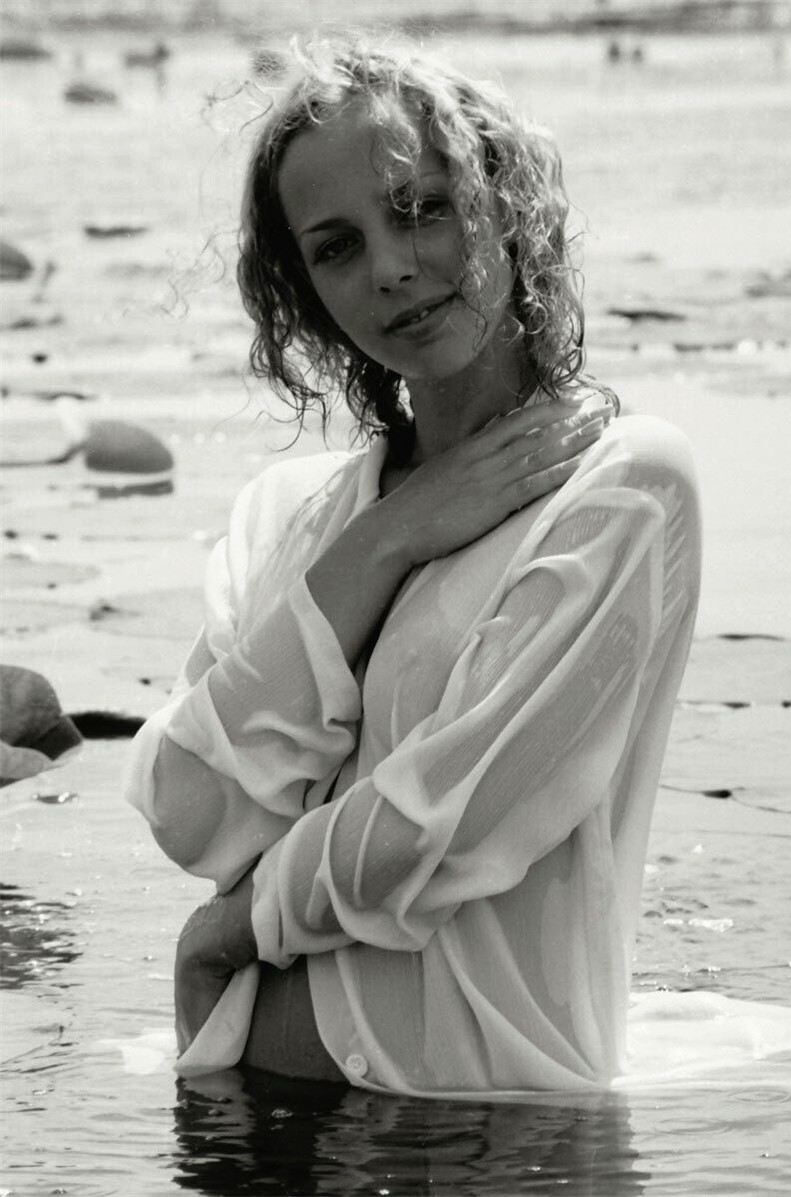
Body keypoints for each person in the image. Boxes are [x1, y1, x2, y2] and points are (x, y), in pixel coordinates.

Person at [125, 36, 701, 1097]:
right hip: (240, 1118)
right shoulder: (292, 515)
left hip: (481, 1136)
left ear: (506, 200)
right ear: (304, 289)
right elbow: (187, 810)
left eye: (422, 207)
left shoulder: (622, 486)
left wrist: (232, 929)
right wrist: (388, 539)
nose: (389, 267)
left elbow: (447, 825)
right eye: (337, 246)